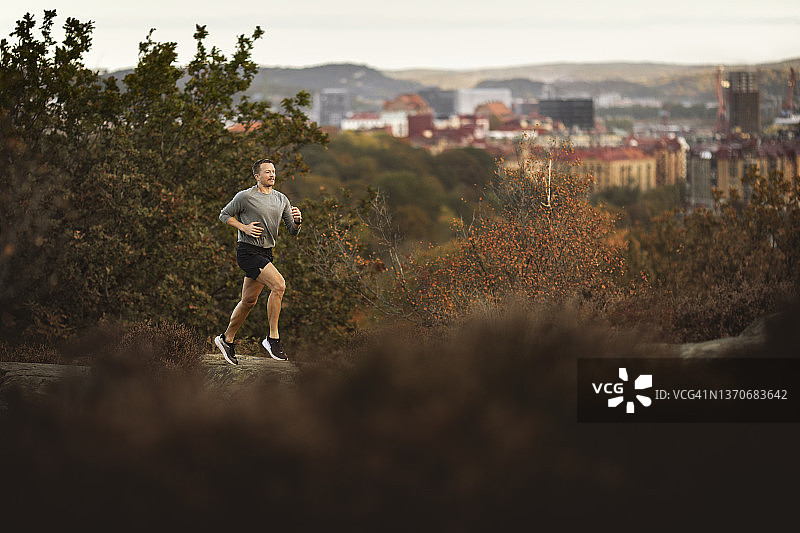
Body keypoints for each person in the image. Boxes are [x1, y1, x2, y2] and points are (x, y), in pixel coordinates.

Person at [214, 158, 302, 364]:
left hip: (266, 253)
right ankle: (272, 339)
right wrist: (243, 228)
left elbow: (292, 230)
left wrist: (298, 221)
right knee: (279, 286)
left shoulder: (281, 199)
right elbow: (224, 215)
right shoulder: (245, 196)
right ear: (257, 176)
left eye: (273, 172)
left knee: (248, 301)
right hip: (248, 252)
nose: (272, 175)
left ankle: (226, 340)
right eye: (267, 172)